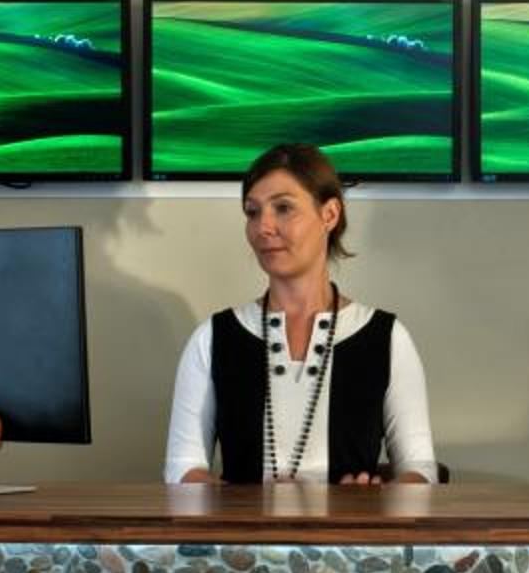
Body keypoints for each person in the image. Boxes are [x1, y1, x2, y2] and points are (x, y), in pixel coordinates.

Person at [164, 143, 436, 485]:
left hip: (353, 524)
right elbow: (182, 468)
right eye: (252, 212)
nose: (263, 227)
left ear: (329, 215)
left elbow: (420, 469)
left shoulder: (387, 337)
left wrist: (377, 502)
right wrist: (236, 504)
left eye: (283, 208)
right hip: (239, 524)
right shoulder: (213, 337)